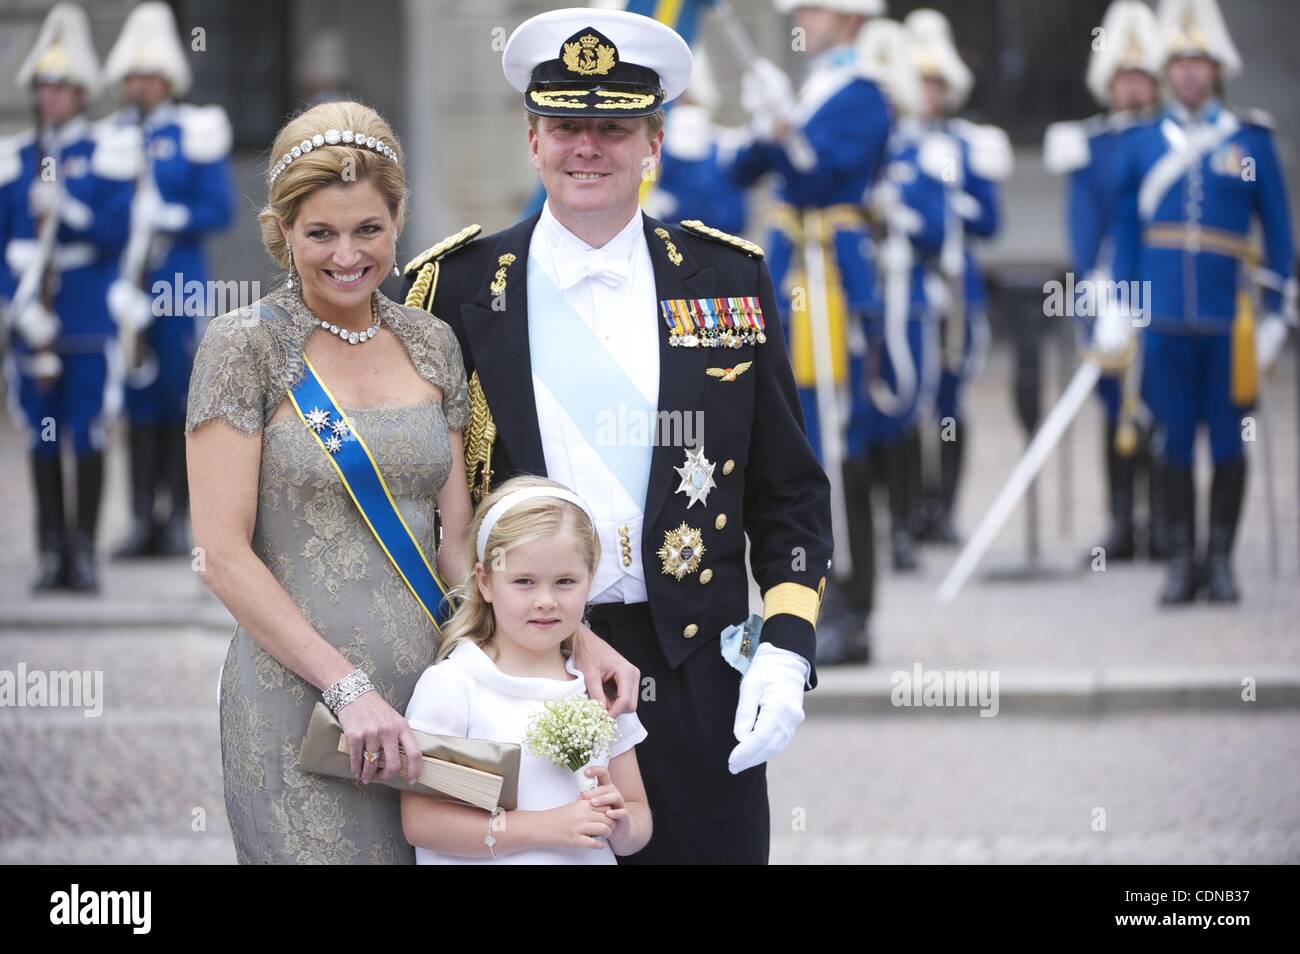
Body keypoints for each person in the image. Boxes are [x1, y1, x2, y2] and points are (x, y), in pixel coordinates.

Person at [403, 7, 831, 863]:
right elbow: (427, 500)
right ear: (533, 141)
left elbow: (790, 495)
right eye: (566, 126)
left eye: (613, 127)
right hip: (522, 663)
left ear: (654, 143)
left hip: (698, 665)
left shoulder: (729, 281)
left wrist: (784, 649)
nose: (587, 147)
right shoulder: (453, 288)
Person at [186, 100, 478, 864]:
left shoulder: (432, 341)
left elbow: (458, 539)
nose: (347, 255)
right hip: (300, 703)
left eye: (368, 230)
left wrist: (530, 649)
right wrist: (346, 689)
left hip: (430, 700)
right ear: (283, 231)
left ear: (398, 221)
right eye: (320, 233)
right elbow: (221, 554)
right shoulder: (241, 346)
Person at [1109, 0, 1294, 604]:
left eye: (1200, 62)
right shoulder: (1138, 142)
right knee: (1172, 441)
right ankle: (1181, 560)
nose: (1189, 73)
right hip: (1163, 320)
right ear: (1168, 71)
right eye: (1180, 63)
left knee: (1227, 440)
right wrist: (1120, 304)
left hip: (1227, 322)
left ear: (1216, 69)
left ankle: (1220, 559)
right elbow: (1126, 236)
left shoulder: (1251, 141)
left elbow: (1280, 236)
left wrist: (1276, 317)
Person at [727, 0, 891, 662]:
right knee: (793, 436)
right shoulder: (810, 90)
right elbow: (741, 173)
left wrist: (787, 127)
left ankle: (854, 601)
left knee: (836, 438)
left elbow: (820, 176)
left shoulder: (865, 96)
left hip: (830, 279)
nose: (804, 18)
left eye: (815, 9)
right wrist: (766, 123)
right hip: (792, 274)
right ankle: (805, 595)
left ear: (850, 19)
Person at [402, 476, 651, 864]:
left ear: (590, 579)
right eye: (524, 582)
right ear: (485, 582)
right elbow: (424, 823)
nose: (546, 601)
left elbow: (637, 814)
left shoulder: (598, 691)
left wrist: (620, 823)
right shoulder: (453, 685)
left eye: (565, 581)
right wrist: (547, 826)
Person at [1, 3, 133, 593]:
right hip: (32, 318)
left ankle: (84, 553)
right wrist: (16, 305)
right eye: (43, 87)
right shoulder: (16, 159)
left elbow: (116, 233)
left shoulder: (102, 153)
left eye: (60, 87)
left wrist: (71, 210)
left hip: (83, 312)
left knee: (89, 432)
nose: (50, 96)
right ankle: (50, 550)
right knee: (42, 433)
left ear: (79, 92)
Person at [104, 1, 235, 558]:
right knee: (136, 397)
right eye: (133, 77)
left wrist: (169, 216)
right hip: (128, 284)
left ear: (168, 81)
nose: (141, 87)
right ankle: (140, 517)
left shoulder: (194, 131)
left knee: (181, 396)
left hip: (178, 282)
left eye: (150, 77)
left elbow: (219, 210)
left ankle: (181, 516)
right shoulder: (109, 136)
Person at [1044, 0, 1165, 563]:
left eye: (1142, 75)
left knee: (1162, 408)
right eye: (1125, 76)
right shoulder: (1091, 143)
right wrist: (1092, 287)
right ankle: (1122, 522)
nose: (1134, 86)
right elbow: (1084, 221)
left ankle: (1166, 520)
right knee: (1113, 404)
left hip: (1161, 293)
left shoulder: (1172, 139)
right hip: (1108, 293)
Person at [901, 8, 1010, 548]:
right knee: (901, 400)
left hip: (957, 291)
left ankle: (940, 509)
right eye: (919, 80)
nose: (928, 91)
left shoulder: (969, 143)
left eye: (936, 82)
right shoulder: (891, 142)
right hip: (906, 286)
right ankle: (903, 514)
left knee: (949, 402)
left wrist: (954, 200)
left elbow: (992, 222)